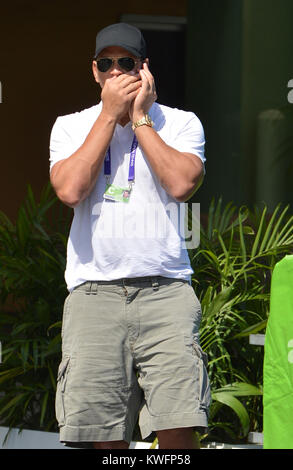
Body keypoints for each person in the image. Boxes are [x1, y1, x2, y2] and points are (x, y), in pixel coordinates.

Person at [49, 22, 210, 450]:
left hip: (165, 290)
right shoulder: (69, 126)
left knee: (178, 425)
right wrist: (107, 116)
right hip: (93, 294)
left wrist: (138, 118)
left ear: (145, 69)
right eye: (108, 64)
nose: (117, 72)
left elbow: (181, 184)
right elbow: (69, 190)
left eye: (127, 62)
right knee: (101, 433)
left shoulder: (179, 122)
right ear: (95, 72)